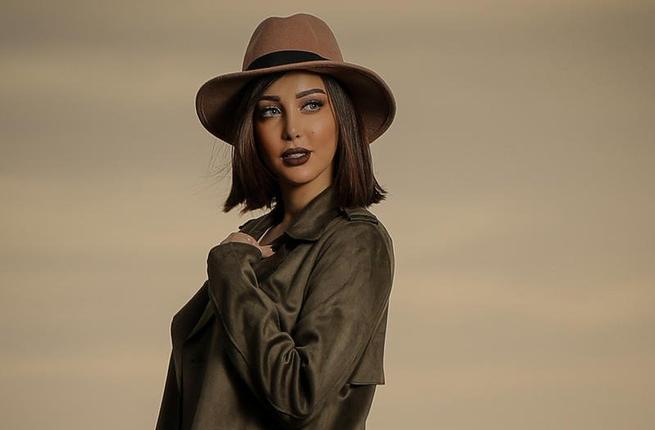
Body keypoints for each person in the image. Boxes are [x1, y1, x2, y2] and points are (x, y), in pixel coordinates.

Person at [155, 13, 397, 430]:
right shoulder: (249, 238)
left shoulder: (356, 240)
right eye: (270, 111)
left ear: (341, 118)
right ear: (252, 129)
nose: (291, 129)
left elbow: (299, 396)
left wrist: (231, 274)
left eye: (311, 105)